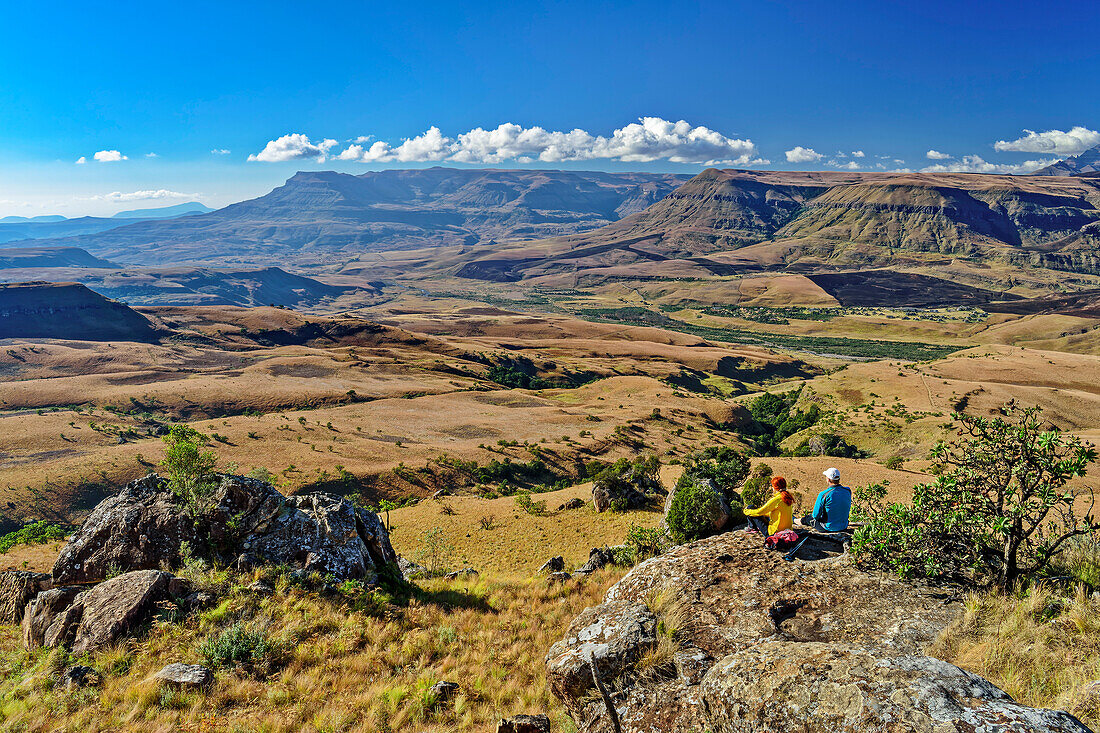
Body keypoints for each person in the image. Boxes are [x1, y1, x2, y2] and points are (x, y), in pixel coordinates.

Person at [801, 467, 852, 532]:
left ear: (828, 480)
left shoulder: (824, 494)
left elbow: (815, 516)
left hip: (828, 527)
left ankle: (794, 521)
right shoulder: (847, 490)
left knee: (807, 519)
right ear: (839, 479)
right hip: (844, 526)